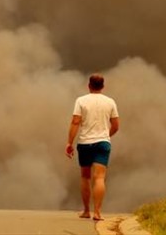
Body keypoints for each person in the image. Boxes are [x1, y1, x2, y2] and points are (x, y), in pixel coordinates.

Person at [65, 73, 119, 222]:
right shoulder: (110, 102)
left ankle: (86, 211)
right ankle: (98, 212)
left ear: (89, 85)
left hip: (85, 143)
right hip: (103, 143)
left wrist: (69, 142)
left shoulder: (81, 101)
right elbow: (116, 125)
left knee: (85, 177)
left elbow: (75, 122)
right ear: (103, 86)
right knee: (100, 177)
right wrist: (106, 136)